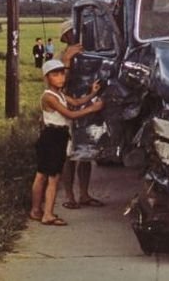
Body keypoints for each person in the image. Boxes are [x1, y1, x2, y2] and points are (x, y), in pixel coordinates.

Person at [30, 59, 103, 226]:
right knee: (52, 178)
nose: (60, 78)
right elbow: (70, 114)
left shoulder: (60, 95)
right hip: (53, 136)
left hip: (56, 136)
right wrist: (93, 108)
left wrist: (92, 94)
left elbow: (76, 102)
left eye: (62, 73)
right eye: (55, 75)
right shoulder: (49, 97)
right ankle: (47, 214)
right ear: (47, 78)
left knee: (42, 175)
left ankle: (36, 210)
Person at [59, 20, 105, 210]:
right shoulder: (60, 57)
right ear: (67, 37)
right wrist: (67, 62)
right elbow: (59, 84)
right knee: (68, 156)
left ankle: (84, 194)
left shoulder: (90, 54)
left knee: (85, 153)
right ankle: (70, 196)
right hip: (67, 108)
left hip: (86, 105)